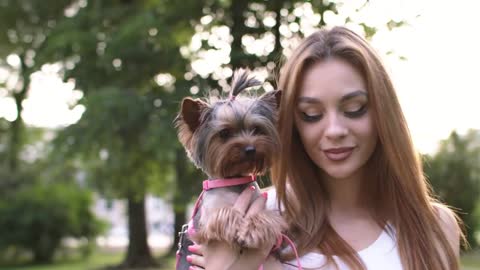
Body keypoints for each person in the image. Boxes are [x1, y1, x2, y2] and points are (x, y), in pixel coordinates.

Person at [187, 26, 464, 270]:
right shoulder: (247, 219)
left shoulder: (435, 227)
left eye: (355, 109)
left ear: (384, 113)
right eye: (311, 114)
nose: (334, 130)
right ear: (291, 124)